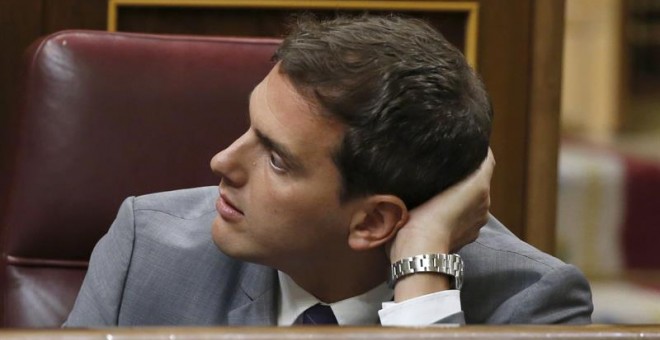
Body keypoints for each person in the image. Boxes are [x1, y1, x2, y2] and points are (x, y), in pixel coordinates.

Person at [64, 15, 592, 326]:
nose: (222, 162)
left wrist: (423, 267)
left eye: (275, 158)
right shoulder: (147, 248)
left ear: (372, 223)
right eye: (249, 128)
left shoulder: (530, 304)